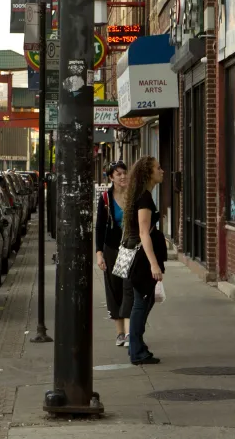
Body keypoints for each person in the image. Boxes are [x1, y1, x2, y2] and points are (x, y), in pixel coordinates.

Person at [120, 156, 167, 365]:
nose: (162, 170)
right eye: (158, 168)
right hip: (142, 259)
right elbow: (143, 232)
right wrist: (153, 264)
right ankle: (137, 350)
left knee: (144, 302)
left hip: (141, 257)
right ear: (149, 173)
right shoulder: (145, 198)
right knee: (141, 303)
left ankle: (138, 347)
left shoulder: (142, 196)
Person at [95, 161, 129, 347]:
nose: (123, 177)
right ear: (111, 177)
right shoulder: (106, 199)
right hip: (112, 248)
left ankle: (131, 331)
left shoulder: (134, 195)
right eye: (118, 174)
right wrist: (99, 253)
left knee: (129, 288)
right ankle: (120, 333)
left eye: (124, 173)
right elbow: (100, 227)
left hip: (130, 248)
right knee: (114, 288)